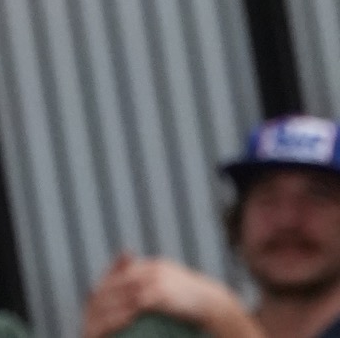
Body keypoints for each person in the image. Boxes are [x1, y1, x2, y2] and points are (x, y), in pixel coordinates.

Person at [81, 115, 340, 338]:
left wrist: (224, 317)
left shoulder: (222, 322)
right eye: (267, 198)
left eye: (318, 197)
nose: (288, 219)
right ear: (238, 222)